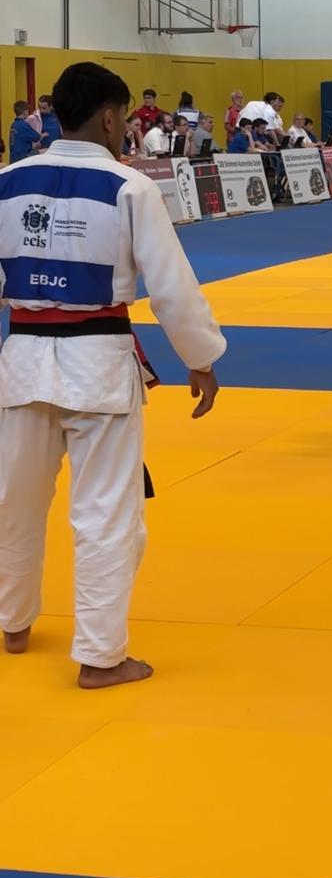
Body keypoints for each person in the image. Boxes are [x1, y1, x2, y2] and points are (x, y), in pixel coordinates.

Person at [0, 61, 226, 688]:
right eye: (124, 115)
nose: (125, 126)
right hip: (96, 363)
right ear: (108, 115)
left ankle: (12, 622)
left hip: (21, 360)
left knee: (12, 503)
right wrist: (199, 358)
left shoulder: (7, 183)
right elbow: (171, 286)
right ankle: (100, 655)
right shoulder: (130, 187)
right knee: (104, 512)